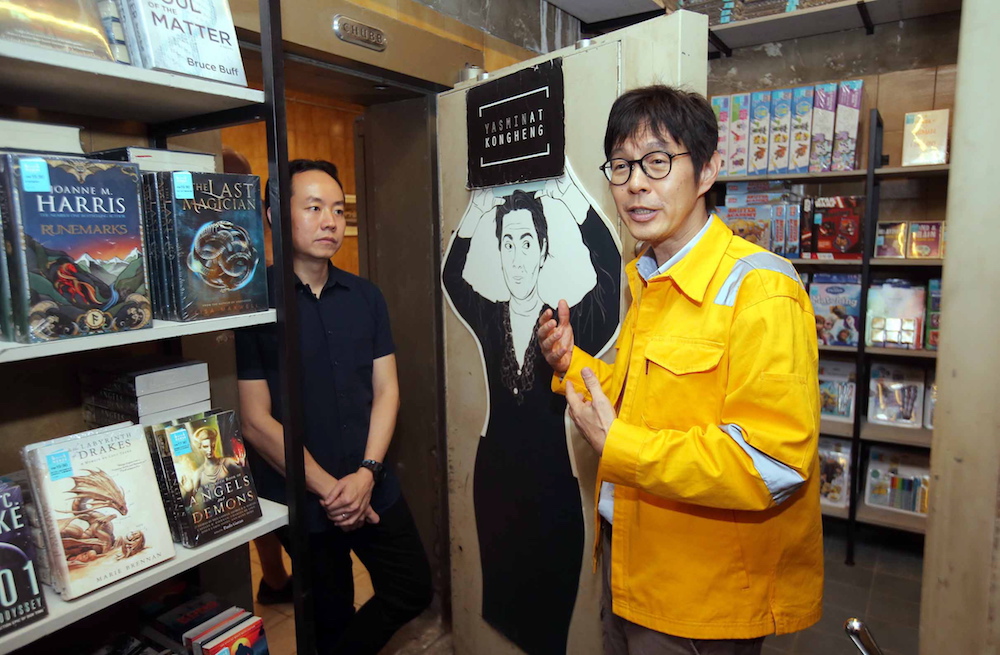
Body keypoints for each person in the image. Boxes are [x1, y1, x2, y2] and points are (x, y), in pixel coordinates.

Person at [537, 86, 823, 655]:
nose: (635, 183)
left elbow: (772, 462)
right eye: (620, 166)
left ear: (709, 168)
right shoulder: (646, 275)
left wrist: (621, 447)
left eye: (658, 161)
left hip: (702, 596)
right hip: (631, 561)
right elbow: (651, 396)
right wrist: (574, 365)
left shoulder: (762, 288)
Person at [235, 159, 432, 654]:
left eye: (338, 210)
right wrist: (329, 491)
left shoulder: (366, 297)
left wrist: (366, 475)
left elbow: (387, 390)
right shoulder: (254, 307)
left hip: (372, 484)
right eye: (314, 207)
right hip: (304, 499)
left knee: (411, 588)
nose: (330, 221)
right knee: (328, 614)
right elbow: (256, 421)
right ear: (276, 215)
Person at [442, 175, 619, 655]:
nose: (517, 256)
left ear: (543, 249)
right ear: (499, 252)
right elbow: (451, 277)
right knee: (502, 613)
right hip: (494, 484)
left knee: (548, 629)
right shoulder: (488, 315)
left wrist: (570, 195)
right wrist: (479, 208)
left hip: (554, 492)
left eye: (526, 242)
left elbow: (609, 272)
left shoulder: (565, 324)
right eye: (508, 243)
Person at [223, 145, 292, 606]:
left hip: (251, 382)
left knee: (256, 478)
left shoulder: (256, 249)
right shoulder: (244, 249)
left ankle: (277, 580)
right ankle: (276, 579)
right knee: (245, 478)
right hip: (230, 380)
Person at [179, 427, 244, 507]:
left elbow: (246, 485)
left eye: (212, 446)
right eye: (205, 447)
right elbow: (188, 504)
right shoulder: (198, 474)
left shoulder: (227, 463)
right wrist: (187, 491)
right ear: (200, 448)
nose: (209, 450)